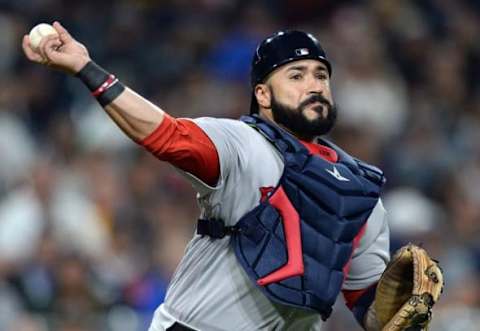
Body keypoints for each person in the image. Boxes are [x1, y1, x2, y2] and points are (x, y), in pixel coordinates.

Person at [22, 22, 392, 331]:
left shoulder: (361, 194)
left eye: (321, 75)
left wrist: (402, 310)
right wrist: (87, 69)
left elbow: (371, 311)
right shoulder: (244, 144)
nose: (313, 85)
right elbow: (166, 135)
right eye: (296, 75)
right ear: (262, 94)